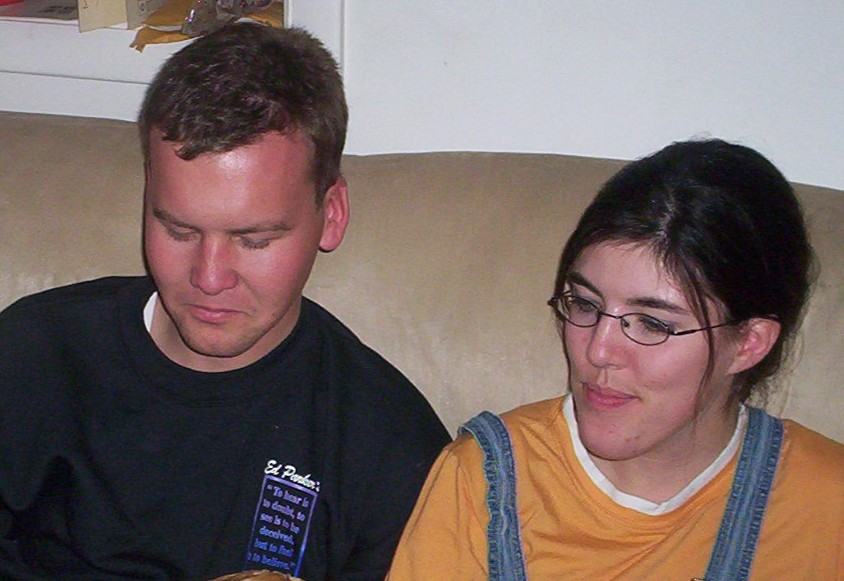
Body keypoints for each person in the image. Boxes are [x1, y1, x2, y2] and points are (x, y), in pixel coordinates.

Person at [0, 22, 450, 581]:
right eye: (179, 230)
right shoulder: (32, 354)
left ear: (331, 215)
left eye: (254, 239)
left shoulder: (390, 450)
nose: (209, 278)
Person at [386, 138, 844, 580]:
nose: (597, 351)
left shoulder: (826, 504)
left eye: (652, 324)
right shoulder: (483, 480)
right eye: (585, 305)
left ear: (748, 343)